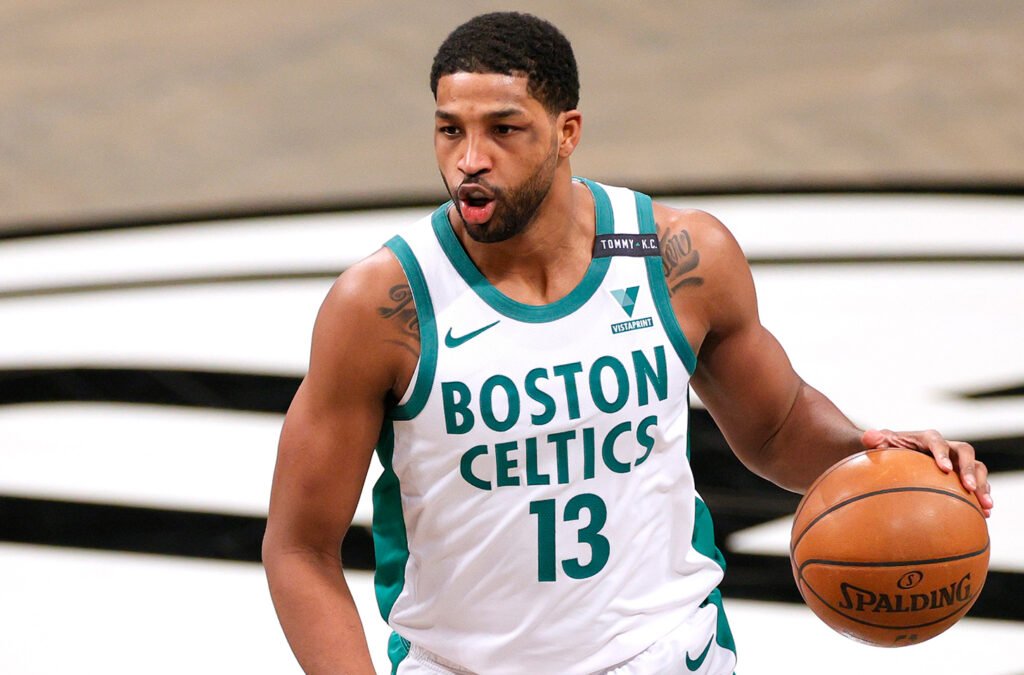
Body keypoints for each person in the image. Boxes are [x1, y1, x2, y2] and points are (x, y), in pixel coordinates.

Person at [262, 11, 993, 675]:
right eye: (450, 129)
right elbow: (299, 547)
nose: (469, 159)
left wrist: (875, 454)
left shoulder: (670, 256)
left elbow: (776, 424)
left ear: (567, 131)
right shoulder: (386, 306)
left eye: (503, 129)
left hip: (665, 651)